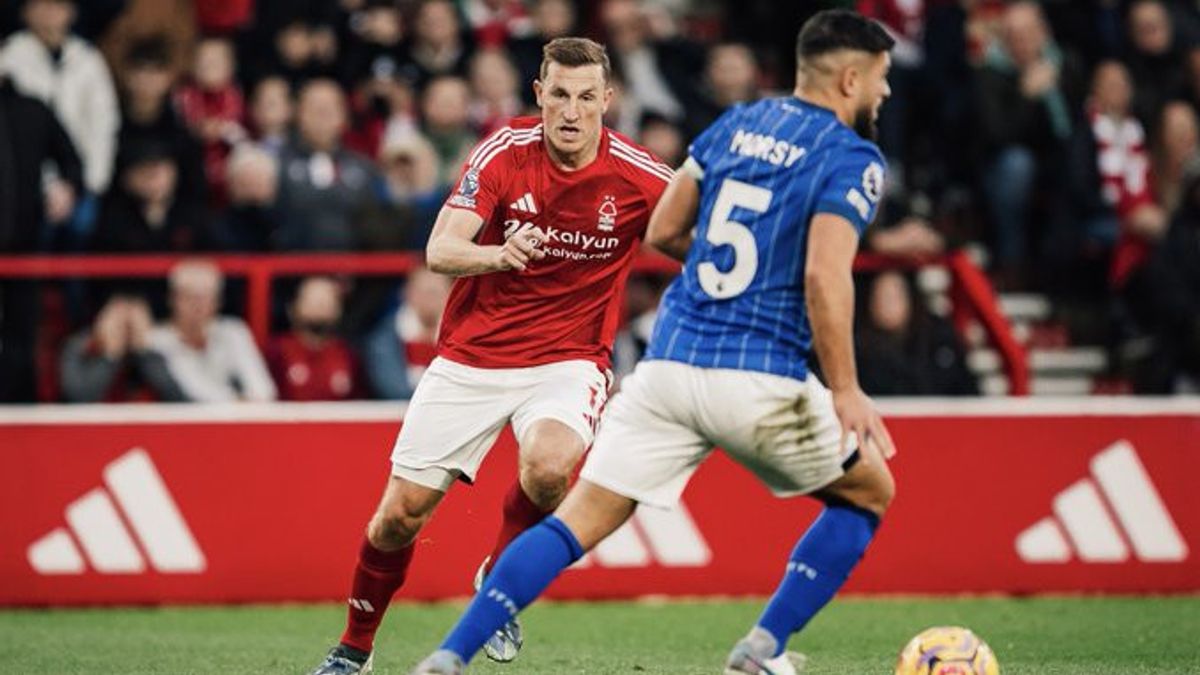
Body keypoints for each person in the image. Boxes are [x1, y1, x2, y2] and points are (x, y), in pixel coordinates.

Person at [411, 10, 897, 675]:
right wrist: (845, 388)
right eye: (882, 78)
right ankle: (763, 647)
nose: (886, 92)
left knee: (570, 523)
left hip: (668, 367)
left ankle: (449, 655)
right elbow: (823, 273)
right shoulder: (853, 157)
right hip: (759, 372)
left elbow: (666, 232)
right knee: (870, 493)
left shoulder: (736, 125)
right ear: (850, 78)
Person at [307, 37, 672, 675]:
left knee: (552, 466)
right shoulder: (505, 151)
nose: (571, 110)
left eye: (587, 98)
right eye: (558, 94)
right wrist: (498, 254)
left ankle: (497, 581)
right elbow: (440, 248)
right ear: (539, 94)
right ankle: (353, 650)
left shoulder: (642, 175)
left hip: (569, 356)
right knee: (398, 517)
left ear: (607, 102)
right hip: (474, 356)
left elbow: (698, 238)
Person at [147, 260, 277, 403]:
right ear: (172, 299)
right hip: (179, 422)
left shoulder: (233, 331)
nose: (198, 305)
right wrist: (236, 401)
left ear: (218, 301)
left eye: (206, 297)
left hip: (232, 421)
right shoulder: (156, 340)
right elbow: (190, 393)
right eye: (189, 296)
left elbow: (263, 390)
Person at [59, 295, 184, 403]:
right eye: (119, 322)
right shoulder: (81, 347)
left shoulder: (157, 349)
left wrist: (143, 350)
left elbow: (178, 399)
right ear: (101, 319)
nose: (125, 329)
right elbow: (79, 398)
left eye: (132, 324)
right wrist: (111, 355)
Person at [266, 277, 362, 401]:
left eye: (327, 301)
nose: (320, 306)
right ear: (293, 307)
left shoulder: (349, 354)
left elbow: (359, 405)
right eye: (313, 300)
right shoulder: (277, 352)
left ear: (339, 309)